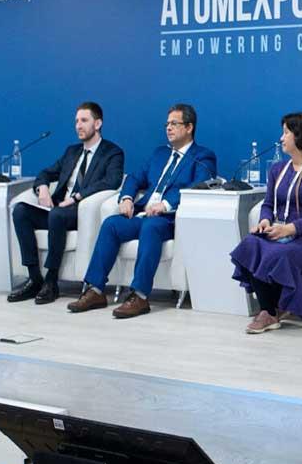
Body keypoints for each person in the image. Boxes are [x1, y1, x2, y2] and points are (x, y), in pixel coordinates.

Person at [67, 104, 217, 318]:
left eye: (174, 124)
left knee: (151, 227)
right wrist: (127, 198)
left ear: (189, 127)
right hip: (143, 214)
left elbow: (198, 187)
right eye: (167, 124)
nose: (168, 128)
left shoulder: (202, 156)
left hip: (169, 219)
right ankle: (95, 290)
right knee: (111, 224)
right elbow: (135, 178)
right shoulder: (160, 154)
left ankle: (139, 296)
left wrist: (166, 205)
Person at [230, 112, 302, 334]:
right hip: (278, 231)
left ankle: (271, 311)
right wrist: (264, 221)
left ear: (300, 135)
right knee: (250, 244)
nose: (281, 138)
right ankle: (269, 311)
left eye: (286, 132)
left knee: (278, 253)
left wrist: (289, 229)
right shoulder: (277, 170)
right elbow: (268, 204)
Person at [8, 102, 124, 304]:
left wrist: (77, 197)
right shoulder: (72, 152)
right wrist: (42, 188)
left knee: (57, 214)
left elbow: (112, 181)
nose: (78, 126)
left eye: (84, 120)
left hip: (80, 212)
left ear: (97, 124)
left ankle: (51, 281)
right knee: (20, 211)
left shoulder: (112, 152)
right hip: (58, 210)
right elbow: (46, 173)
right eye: (76, 121)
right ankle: (35, 278)